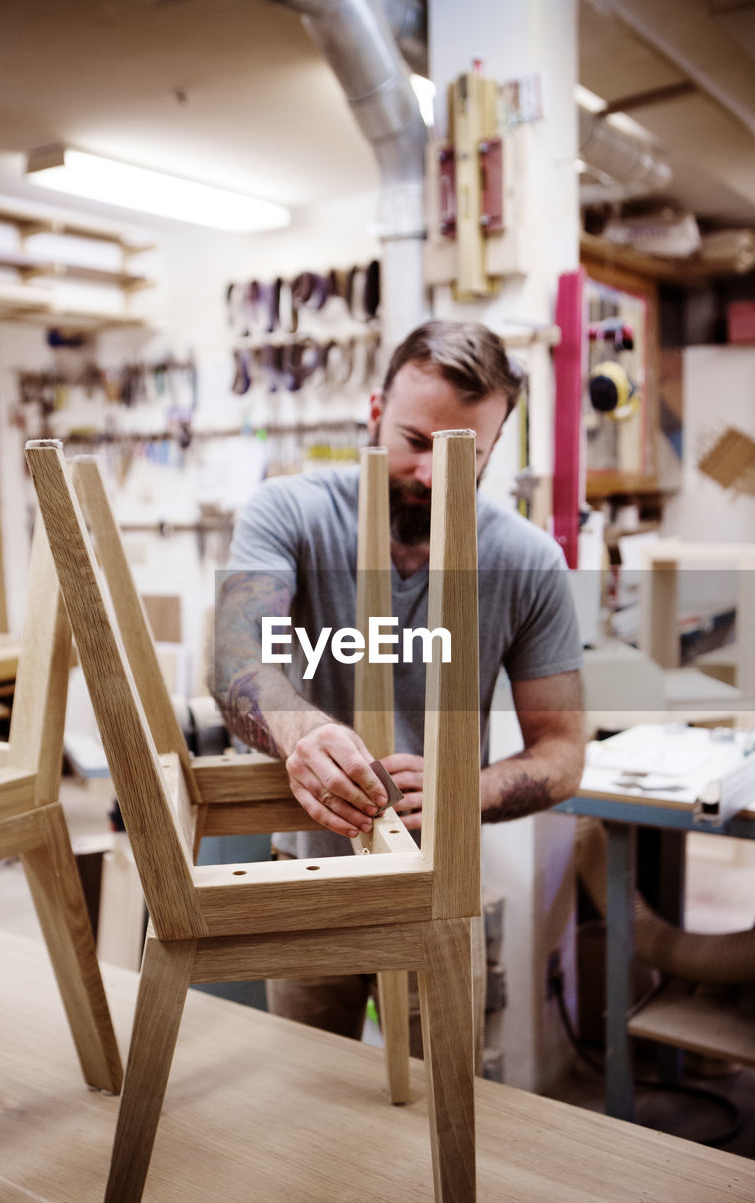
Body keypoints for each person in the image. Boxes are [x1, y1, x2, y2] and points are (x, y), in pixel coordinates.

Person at [210, 319, 585, 1063]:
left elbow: (563, 753)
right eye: (414, 441)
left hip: (438, 887)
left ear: (493, 446)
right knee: (306, 1101)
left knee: (437, 1110)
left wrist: (464, 790)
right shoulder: (290, 512)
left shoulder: (525, 560)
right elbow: (233, 659)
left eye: (459, 455)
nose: (426, 473)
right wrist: (302, 734)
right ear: (375, 409)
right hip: (309, 882)